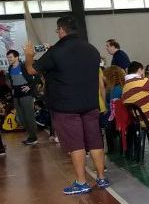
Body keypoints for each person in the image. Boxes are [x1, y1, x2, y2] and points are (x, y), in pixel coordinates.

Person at [25, 16, 110, 194]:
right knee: (95, 140)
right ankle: (101, 178)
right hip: (90, 103)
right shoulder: (91, 49)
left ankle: (81, 182)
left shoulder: (56, 51)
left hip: (66, 105)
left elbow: (32, 70)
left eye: (57, 31)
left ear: (61, 30)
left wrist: (29, 55)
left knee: (75, 143)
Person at [6, 50, 40, 145]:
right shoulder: (10, 68)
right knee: (20, 117)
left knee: (29, 116)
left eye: (10, 57)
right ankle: (30, 136)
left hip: (26, 94)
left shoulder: (24, 66)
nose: (9, 59)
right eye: (8, 57)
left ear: (16, 57)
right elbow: (11, 81)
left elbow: (37, 77)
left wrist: (29, 86)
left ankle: (33, 137)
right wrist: (12, 88)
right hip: (16, 94)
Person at [121, 62, 149, 127]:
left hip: (141, 122)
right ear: (140, 70)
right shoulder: (143, 82)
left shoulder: (125, 88)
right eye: (143, 71)